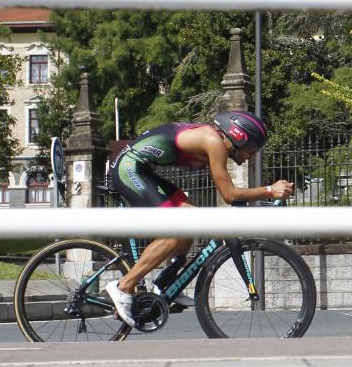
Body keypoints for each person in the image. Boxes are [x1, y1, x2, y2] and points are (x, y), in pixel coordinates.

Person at [105, 110, 294, 326]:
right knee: (173, 235)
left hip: (143, 170)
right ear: (240, 136)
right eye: (252, 149)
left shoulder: (214, 140)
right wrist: (270, 190)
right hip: (130, 169)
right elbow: (229, 194)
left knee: (193, 221)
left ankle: (165, 284)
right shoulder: (213, 141)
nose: (252, 155)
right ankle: (123, 287)